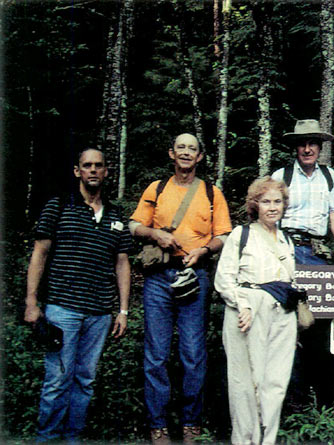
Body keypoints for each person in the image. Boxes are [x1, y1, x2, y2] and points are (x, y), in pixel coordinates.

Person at [129, 133, 232, 444]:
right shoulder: (156, 189)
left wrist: (204, 251)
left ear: (200, 157)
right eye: (181, 148)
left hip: (195, 276)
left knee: (193, 353)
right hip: (159, 277)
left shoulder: (212, 193)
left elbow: (225, 235)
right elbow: (134, 226)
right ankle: (157, 426)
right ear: (171, 153)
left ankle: (191, 424)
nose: (187, 153)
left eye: (193, 149)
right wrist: (156, 235)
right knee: (156, 354)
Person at [24, 148, 133, 442]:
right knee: (57, 380)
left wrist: (122, 311)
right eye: (87, 166)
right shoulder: (58, 206)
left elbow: (122, 263)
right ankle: (47, 438)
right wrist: (31, 302)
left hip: (99, 312)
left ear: (107, 171)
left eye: (99, 166)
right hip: (62, 308)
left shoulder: (116, 215)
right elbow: (39, 254)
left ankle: (73, 438)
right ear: (77, 171)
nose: (93, 170)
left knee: (85, 381)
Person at [271, 119, 334, 407]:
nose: (307, 149)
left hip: (318, 253)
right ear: (296, 147)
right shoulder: (282, 175)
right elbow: (269, 216)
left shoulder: (328, 176)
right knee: (289, 324)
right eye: (302, 143)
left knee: (319, 322)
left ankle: (325, 397)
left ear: (320, 147)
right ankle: (293, 400)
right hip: (288, 251)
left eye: (312, 144)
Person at [215, 177, 297, 445]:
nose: (272, 207)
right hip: (247, 310)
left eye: (277, 201)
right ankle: (243, 440)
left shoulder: (286, 239)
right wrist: (241, 303)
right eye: (266, 202)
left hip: (282, 313)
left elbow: (290, 280)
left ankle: (267, 440)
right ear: (255, 205)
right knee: (245, 384)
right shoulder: (242, 235)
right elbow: (223, 278)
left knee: (276, 383)